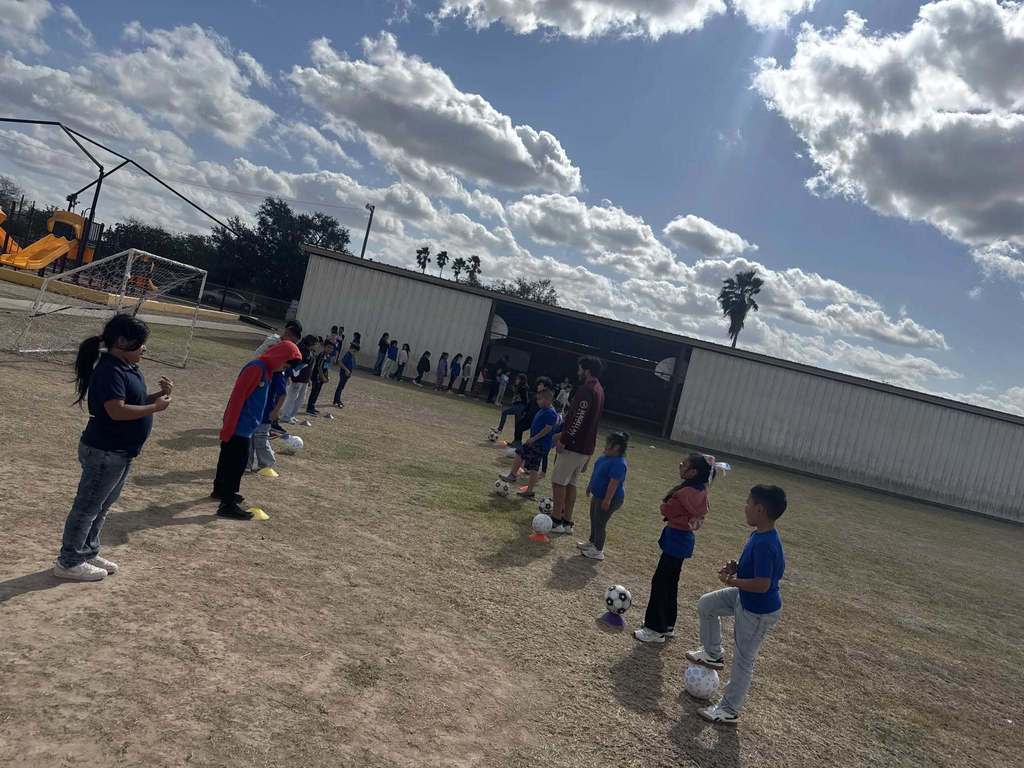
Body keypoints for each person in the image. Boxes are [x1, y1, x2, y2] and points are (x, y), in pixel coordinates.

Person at [53, 315, 172, 581]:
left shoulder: (128, 367)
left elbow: (133, 400)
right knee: (87, 507)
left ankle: (87, 551)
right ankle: (69, 561)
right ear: (122, 341)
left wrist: (156, 397)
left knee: (102, 506)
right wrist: (154, 407)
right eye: (141, 344)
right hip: (106, 451)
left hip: (121, 451)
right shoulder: (109, 370)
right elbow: (116, 411)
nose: (144, 349)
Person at [687, 485, 787, 724]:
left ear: (760, 509)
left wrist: (732, 580)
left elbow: (763, 584)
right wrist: (737, 567)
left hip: (758, 610)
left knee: (743, 660)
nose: (745, 506)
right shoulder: (758, 535)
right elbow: (758, 571)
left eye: (748, 502)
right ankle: (712, 653)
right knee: (707, 605)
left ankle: (729, 710)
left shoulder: (766, 543)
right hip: (745, 597)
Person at [212, 340, 302, 520]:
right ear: (279, 357)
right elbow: (237, 398)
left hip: (247, 426)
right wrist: (229, 426)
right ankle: (227, 504)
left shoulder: (267, 372)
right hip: (238, 427)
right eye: (285, 363)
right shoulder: (256, 368)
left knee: (230, 460)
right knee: (235, 464)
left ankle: (221, 491)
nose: (283, 368)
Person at [632, 453, 713, 643]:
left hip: (674, 538)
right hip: (684, 539)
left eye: (685, 464)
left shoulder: (683, 493)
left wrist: (668, 504)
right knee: (671, 583)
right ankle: (668, 624)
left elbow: (666, 509)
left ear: (693, 472)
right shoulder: (701, 492)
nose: (681, 465)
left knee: (660, 583)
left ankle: (654, 628)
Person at [549, 357, 606, 535]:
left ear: (587, 370)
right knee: (571, 483)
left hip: (574, 446)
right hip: (585, 446)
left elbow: (578, 419)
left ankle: (556, 519)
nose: (577, 372)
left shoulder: (586, 390)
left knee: (558, 482)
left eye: (580, 368)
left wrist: (564, 439)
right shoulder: (599, 389)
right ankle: (567, 521)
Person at [498, 386, 559, 499]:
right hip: (534, 442)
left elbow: (547, 429)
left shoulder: (551, 413)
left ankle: (529, 491)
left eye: (539, 399)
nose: (538, 401)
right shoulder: (543, 410)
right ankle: (512, 475)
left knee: (534, 467)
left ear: (547, 399)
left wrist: (534, 438)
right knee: (520, 452)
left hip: (540, 444)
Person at [578, 432, 629, 561]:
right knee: (594, 519)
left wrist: (607, 500)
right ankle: (592, 542)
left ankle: (598, 550)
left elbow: (613, 483)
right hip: (598, 495)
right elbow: (596, 473)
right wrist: (590, 486)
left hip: (610, 498)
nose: (605, 446)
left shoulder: (619, 463)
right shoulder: (604, 458)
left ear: (616, 447)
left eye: (608, 444)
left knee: (600, 522)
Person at [250, 364, 289, 475]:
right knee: (249, 439)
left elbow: (282, 394)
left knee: (261, 438)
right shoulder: (261, 369)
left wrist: (275, 411)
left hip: (266, 412)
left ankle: (267, 464)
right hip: (254, 409)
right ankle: (246, 464)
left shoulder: (277, 375)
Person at [280, 334, 316, 423]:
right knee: (292, 398)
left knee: (300, 399)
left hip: (305, 379)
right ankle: (285, 416)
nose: (315, 346)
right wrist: (292, 376)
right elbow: (295, 365)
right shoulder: (301, 349)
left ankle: (292, 415)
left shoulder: (309, 351)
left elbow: (309, 366)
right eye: (314, 344)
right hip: (297, 378)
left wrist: (309, 378)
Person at [306, 338, 330, 416]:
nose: (330, 349)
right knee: (314, 392)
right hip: (316, 377)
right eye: (328, 347)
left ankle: (312, 406)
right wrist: (322, 376)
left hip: (321, 378)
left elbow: (326, 368)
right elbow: (319, 367)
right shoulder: (322, 355)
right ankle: (309, 408)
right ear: (324, 347)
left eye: (331, 348)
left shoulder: (327, 356)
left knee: (317, 392)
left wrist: (326, 376)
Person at [333, 341, 358, 407]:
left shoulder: (351, 356)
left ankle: (336, 400)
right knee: (340, 387)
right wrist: (346, 370)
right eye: (354, 351)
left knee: (341, 387)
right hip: (344, 374)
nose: (354, 353)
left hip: (347, 374)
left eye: (355, 352)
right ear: (350, 349)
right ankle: (337, 400)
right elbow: (340, 362)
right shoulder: (347, 355)